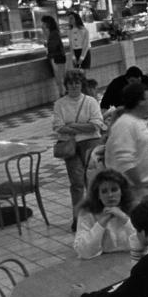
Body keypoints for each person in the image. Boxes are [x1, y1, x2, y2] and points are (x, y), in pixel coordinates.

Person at [53, 69, 105, 226]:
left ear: (82, 84)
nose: (74, 86)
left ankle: (97, 215)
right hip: (71, 146)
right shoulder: (59, 104)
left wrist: (72, 125)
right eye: (70, 83)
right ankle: (78, 218)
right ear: (66, 85)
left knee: (93, 181)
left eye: (77, 82)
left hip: (91, 143)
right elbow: (58, 127)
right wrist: (84, 126)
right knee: (76, 184)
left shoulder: (90, 101)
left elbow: (96, 125)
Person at [104, 82, 148, 201]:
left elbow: (147, 150)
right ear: (140, 101)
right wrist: (139, 187)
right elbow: (125, 161)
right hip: (137, 191)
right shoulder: (124, 125)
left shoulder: (139, 122)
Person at [74, 169, 136, 259]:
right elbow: (84, 251)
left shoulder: (134, 209)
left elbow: (145, 242)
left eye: (114, 190)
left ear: (122, 191)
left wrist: (124, 218)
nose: (110, 195)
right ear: (98, 195)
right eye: (104, 191)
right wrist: (101, 223)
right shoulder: (87, 213)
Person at [42, 15, 66, 99]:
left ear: (48, 23)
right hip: (58, 56)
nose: (42, 25)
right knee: (59, 78)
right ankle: (62, 94)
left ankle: (63, 95)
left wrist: (46, 44)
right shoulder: (54, 32)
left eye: (44, 23)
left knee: (59, 78)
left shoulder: (53, 33)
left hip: (57, 57)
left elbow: (52, 46)